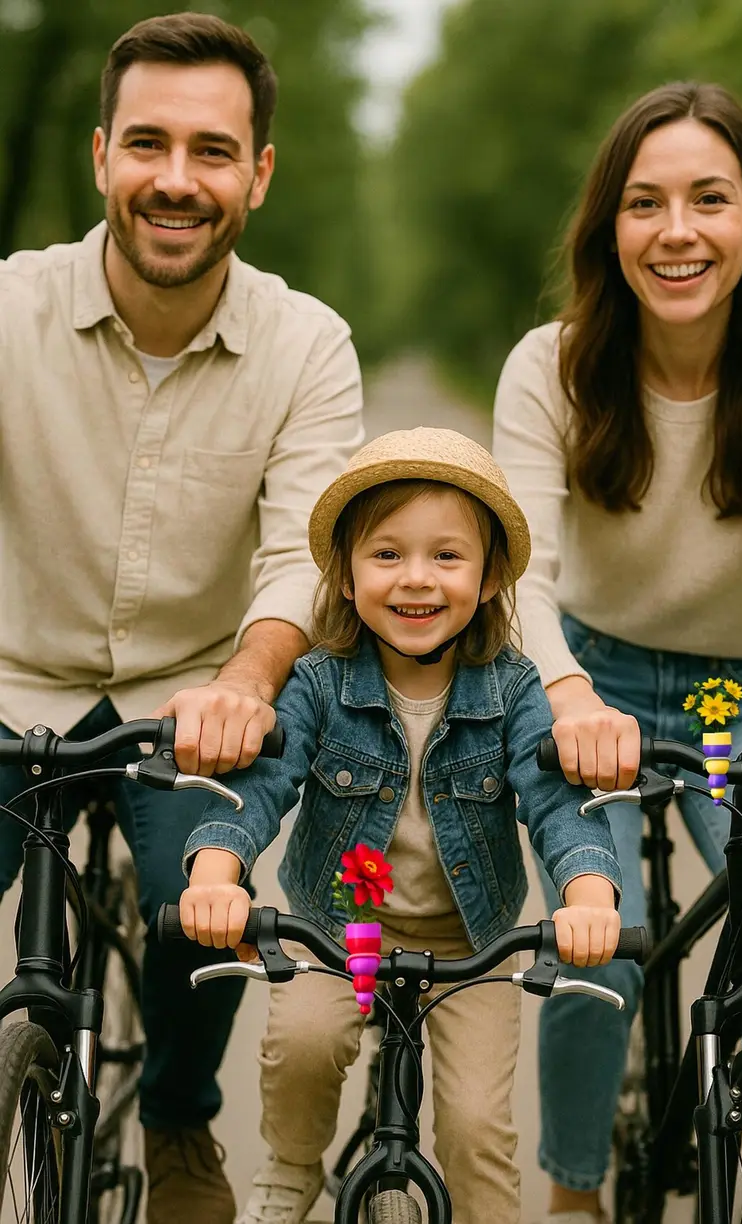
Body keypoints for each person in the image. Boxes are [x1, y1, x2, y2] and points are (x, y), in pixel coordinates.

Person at [0, 12, 363, 1223]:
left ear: (258, 174)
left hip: (193, 699)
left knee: (201, 906)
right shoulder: (8, 311)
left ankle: (173, 1110)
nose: (175, 179)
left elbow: (305, 556)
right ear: (101, 155)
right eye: (146, 144)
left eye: (212, 151)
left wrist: (248, 684)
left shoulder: (307, 345)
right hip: (8, 681)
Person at [492, 80, 742, 1222]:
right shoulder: (553, 367)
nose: (677, 232)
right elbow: (516, 574)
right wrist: (570, 696)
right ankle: (574, 1191)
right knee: (600, 945)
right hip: (591, 678)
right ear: (610, 227)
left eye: (709, 200)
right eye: (645, 204)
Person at [179, 426, 623, 1224]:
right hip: (337, 926)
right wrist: (216, 877)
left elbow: (557, 802)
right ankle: (289, 1166)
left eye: (447, 557)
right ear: (346, 578)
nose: (416, 579)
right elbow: (260, 788)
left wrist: (588, 896)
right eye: (387, 554)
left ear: (488, 580)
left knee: (478, 1132)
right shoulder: (318, 681)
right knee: (305, 1049)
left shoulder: (515, 688)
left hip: (469, 938)